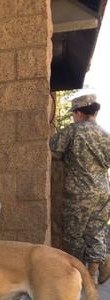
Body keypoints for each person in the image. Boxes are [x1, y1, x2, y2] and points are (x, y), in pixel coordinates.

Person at [50, 93, 110, 284]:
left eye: (73, 113)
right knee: (97, 230)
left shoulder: (72, 131)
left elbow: (53, 151)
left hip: (79, 193)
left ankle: (77, 274)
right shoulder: (105, 135)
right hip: (102, 192)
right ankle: (94, 271)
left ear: (78, 113)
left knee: (73, 234)